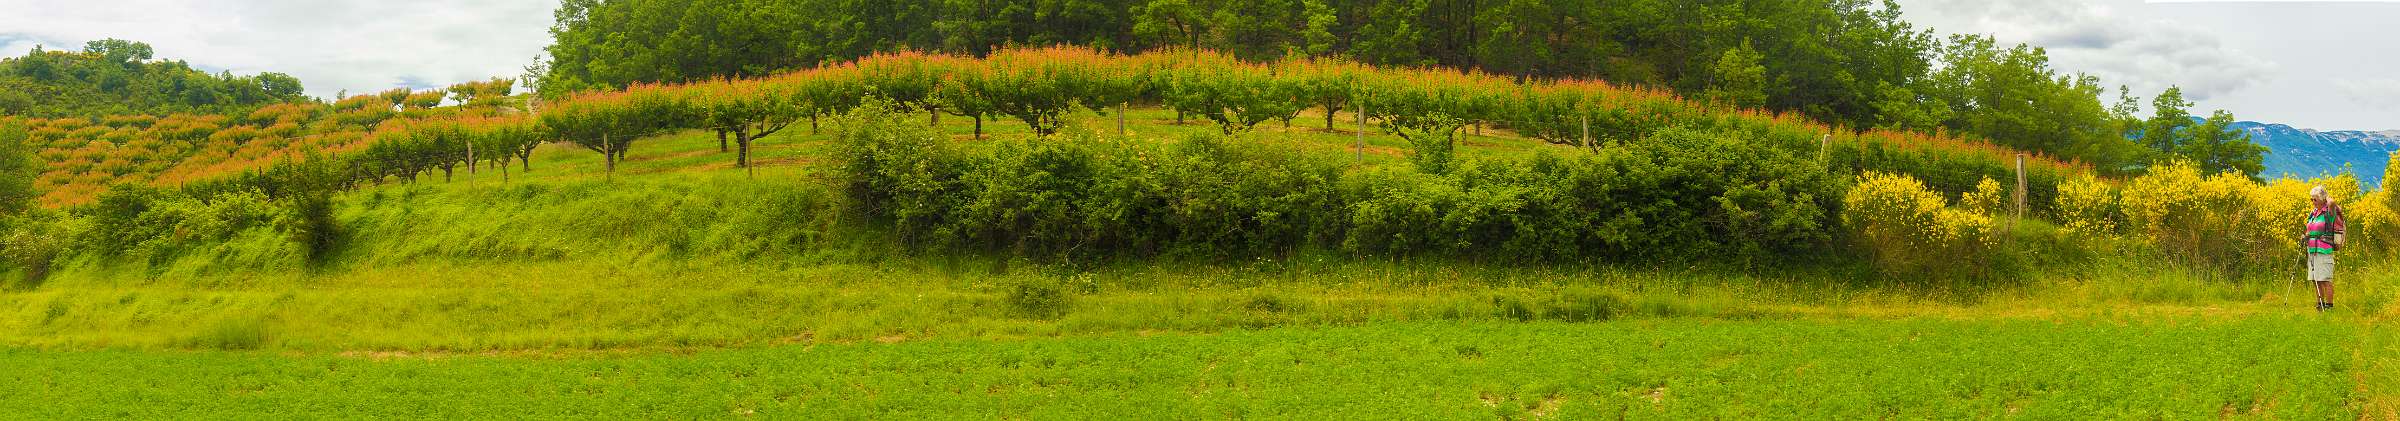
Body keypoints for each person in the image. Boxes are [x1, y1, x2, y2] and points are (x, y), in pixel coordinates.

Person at [2304, 185, 2346, 311]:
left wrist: (2324, 195)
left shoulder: (2329, 212)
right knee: (2315, 279)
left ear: (2322, 199)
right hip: (2312, 251)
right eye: (2311, 199)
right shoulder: (2313, 213)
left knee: (2325, 279)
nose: (2312, 202)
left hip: (2324, 250)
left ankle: (2330, 306)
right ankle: (2320, 305)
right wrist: (2306, 236)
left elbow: (2332, 202)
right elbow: (2309, 229)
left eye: (2315, 199)